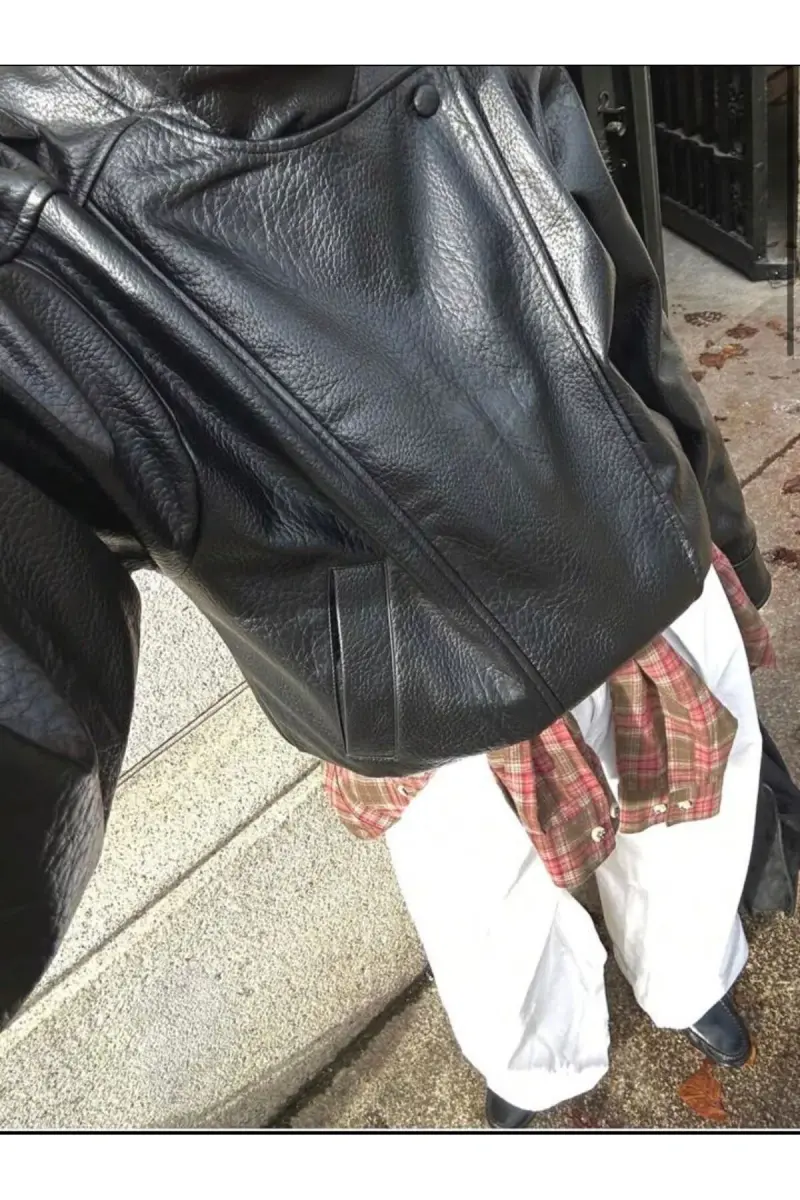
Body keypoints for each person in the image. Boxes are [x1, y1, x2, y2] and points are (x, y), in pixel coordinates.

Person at [0, 66, 773, 1131]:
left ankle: (687, 981)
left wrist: (716, 520)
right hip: (393, 653)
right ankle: (537, 1062)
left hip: (612, 531)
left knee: (693, 815)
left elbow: (614, 282)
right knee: (479, 897)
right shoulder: (29, 176)